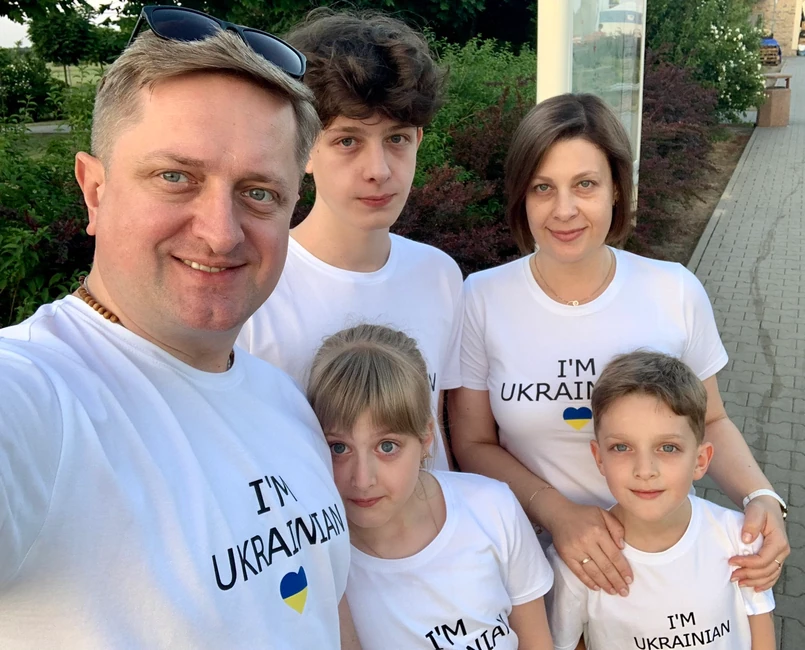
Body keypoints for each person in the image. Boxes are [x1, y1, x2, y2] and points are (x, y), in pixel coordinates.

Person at [0, 10, 358, 648]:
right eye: (175, 178)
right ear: (95, 191)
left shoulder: (283, 400)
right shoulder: (38, 400)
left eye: (259, 192)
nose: (220, 232)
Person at [450, 93, 789, 600]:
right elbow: (473, 443)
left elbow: (712, 420)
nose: (564, 210)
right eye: (543, 187)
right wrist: (558, 514)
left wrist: (760, 496)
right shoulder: (481, 297)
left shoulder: (673, 290)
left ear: (616, 189)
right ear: (522, 196)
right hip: (531, 570)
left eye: (585, 184)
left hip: (660, 567)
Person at [237, 11, 462, 471]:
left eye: (397, 139)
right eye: (347, 141)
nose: (378, 169)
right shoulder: (253, 285)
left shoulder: (439, 275)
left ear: (419, 140)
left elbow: (434, 434)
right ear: (303, 148)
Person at [306, 324, 555, 649]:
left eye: (387, 446)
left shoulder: (492, 508)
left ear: (425, 438)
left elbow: (536, 641)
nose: (363, 479)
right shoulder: (322, 564)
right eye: (339, 448)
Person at [547, 351, 775, 650]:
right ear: (599, 458)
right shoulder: (579, 561)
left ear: (700, 460)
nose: (645, 470)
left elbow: (761, 633)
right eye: (621, 447)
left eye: (668, 447)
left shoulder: (738, 538)